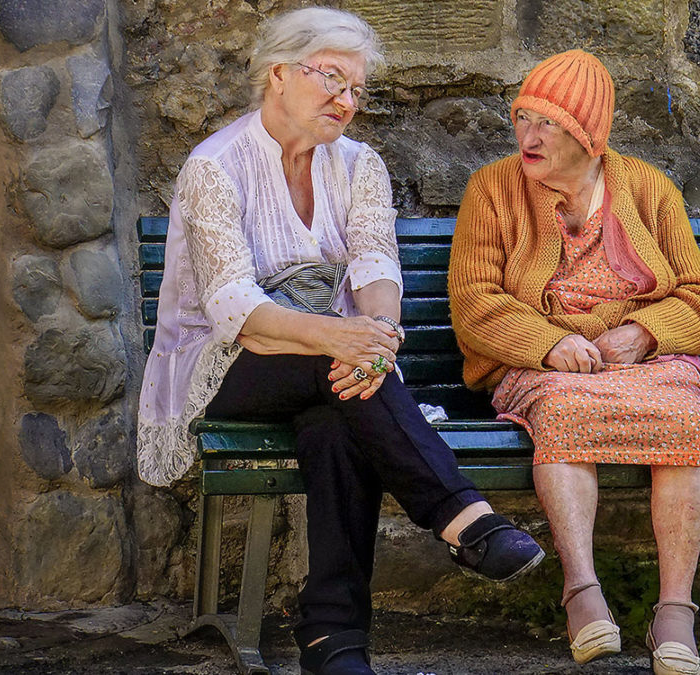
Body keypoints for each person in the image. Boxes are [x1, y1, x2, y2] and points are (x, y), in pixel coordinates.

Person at [135, 8, 543, 675]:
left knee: (333, 421)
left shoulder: (360, 165)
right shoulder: (216, 167)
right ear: (277, 74)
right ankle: (464, 516)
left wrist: (376, 339)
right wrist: (346, 340)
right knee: (340, 368)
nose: (346, 100)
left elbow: (376, 268)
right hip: (227, 360)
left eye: (356, 89)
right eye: (331, 79)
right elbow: (235, 305)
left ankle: (333, 643)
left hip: (330, 364)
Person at [448, 50, 700, 675]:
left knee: (682, 414)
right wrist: (546, 343)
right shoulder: (492, 189)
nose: (528, 135)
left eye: (548, 123)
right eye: (522, 118)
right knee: (564, 410)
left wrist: (644, 333)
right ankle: (583, 594)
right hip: (539, 362)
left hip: (640, 360)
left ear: (588, 134)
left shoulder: (649, 188)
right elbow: (475, 301)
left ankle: (675, 609)